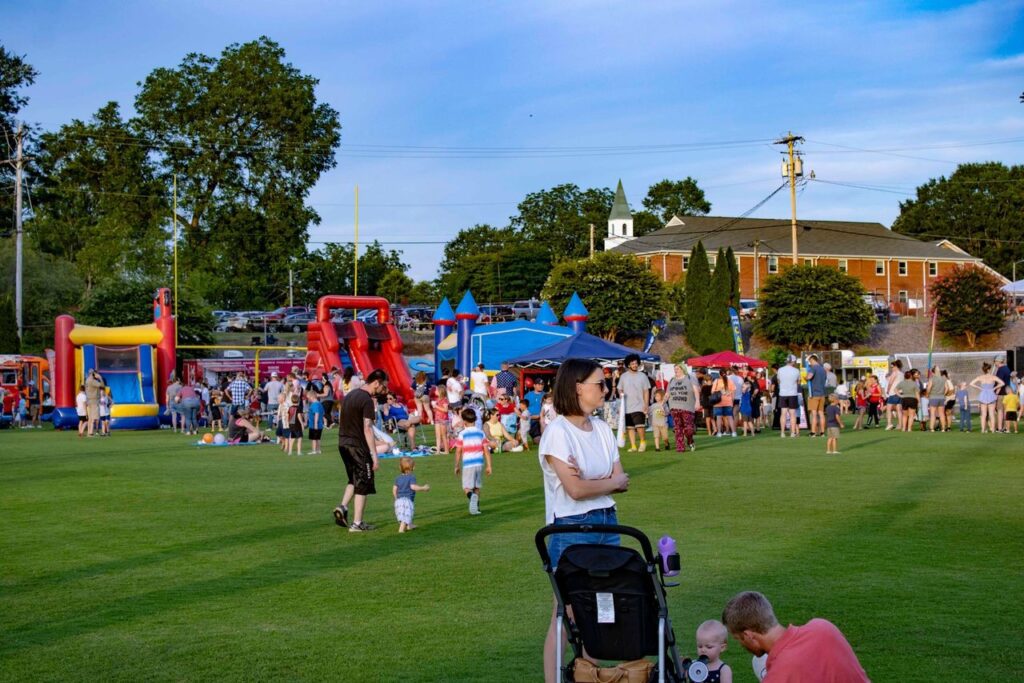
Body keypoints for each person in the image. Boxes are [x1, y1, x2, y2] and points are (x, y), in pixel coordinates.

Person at [539, 358, 630, 683]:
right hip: (571, 527)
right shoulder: (557, 433)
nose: (606, 389)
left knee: (603, 610)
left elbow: (621, 478)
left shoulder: (603, 429)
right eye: (600, 384)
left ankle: (589, 675)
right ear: (578, 387)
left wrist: (602, 482)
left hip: (608, 522)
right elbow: (576, 489)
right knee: (567, 612)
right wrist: (609, 482)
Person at [721, 591, 869, 682]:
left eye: (739, 639)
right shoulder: (823, 627)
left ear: (749, 635)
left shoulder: (779, 676)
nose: (742, 645)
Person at [334, 368, 388, 533]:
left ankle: (342, 507)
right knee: (363, 483)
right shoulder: (366, 400)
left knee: (354, 478)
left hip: (343, 443)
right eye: (383, 387)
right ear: (376, 383)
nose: (383, 390)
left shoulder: (351, 395)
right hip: (358, 446)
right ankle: (357, 523)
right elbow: (367, 428)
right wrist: (374, 454)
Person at [453, 406, 492, 515]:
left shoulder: (462, 434)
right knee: (476, 486)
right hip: (479, 463)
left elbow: (458, 451)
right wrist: (489, 466)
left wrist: (456, 465)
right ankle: (476, 509)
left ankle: (471, 497)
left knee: (467, 487)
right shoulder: (481, 433)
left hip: (468, 464)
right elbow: (486, 450)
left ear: (464, 421)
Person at [618, 354, 650, 451]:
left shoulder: (643, 376)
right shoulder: (623, 376)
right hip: (627, 407)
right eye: (632, 363)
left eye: (636, 363)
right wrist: (621, 394)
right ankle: (633, 446)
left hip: (639, 406)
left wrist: (646, 404)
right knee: (630, 428)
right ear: (628, 365)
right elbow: (620, 389)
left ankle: (643, 442)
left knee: (640, 426)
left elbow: (646, 391)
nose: (635, 365)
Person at [393, 456, 430, 533]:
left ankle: (409, 525)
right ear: (411, 468)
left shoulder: (398, 478)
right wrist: (423, 488)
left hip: (399, 500)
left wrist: (396, 498)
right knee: (406, 514)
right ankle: (401, 529)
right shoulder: (411, 477)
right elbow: (413, 487)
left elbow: (394, 489)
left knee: (403, 513)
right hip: (407, 500)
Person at [667, 364, 698, 452]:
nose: (676, 370)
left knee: (689, 429)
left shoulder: (689, 378)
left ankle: (690, 441)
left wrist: (698, 402)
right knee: (678, 428)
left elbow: (696, 390)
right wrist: (662, 403)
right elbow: (667, 393)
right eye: (675, 369)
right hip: (674, 406)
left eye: (677, 368)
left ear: (682, 369)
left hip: (687, 407)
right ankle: (680, 447)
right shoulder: (672, 380)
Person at [969, 363, 1004, 434]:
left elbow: (971, 383)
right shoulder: (993, 377)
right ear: (989, 369)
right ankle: (993, 430)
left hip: (983, 395)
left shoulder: (980, 377)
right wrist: (994, 387)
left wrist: (980, 388)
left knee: (983, 414)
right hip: (991, 394)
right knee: (992, 414)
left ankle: (983, 430)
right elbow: (1002, 383)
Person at [776, 356, 801, 438]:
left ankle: (782, 433)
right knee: (792, 414)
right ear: (793, 361)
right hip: (792, 393)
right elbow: (798, 382)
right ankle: (792, 433)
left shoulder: (780, 370)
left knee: (783, 413)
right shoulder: (796, 370)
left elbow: (779, 381)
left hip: (783, 394)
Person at [805, 355, 827, 438]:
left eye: (810, 361)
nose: (809, 363)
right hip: (822, 394)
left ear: (812, 360)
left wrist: (805, 377)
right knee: (821, 413)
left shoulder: (813, 368)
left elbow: (809, 377)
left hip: (814, 394)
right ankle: (822, 432)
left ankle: (813, 432)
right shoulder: (823, 369)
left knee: (814, 414)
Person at [712, 370, 736, 438]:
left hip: (718, 402)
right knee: (730, 417)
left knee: (718, 417)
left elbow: (712, 391)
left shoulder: (716, 381)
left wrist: (720, 391)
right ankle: (734, 432)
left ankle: (719, 433)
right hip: (728, 402)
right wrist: (732, 401)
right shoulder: (730, 381)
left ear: (719, 375)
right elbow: (733, 392)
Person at [925, 368, 950, 432]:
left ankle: (932, 428)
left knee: (933, 414)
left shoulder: (932, 379)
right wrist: (943, 394)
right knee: (942, 414)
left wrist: (927, 395)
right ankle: (943, 429)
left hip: (933, 397)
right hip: (941, 398)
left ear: (933, 372)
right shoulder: (943, 379)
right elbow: (947, 388)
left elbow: (929, 388)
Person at [85, 369, 105, 437]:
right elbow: (102, 385)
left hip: (89, 400)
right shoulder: (93, 381)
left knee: (90, 417)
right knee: (94, 417)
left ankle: (89, 432)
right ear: (93, 374)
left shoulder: (87, 380)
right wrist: (100, 378)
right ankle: (91, 433)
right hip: (94, 400)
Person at [884, 359, 904, 430]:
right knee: (899, 409)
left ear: (896, 366)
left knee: (888, 409)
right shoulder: (902, 374)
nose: (891, 368)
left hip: (893, 393)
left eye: (892, 367)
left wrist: (888, 390)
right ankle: (900, 425)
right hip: (900, 393)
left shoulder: (895, 373)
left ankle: (889, 424)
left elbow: (890, 383)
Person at [994, 357, 1012, 432]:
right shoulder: (1007, 368)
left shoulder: (1000, 370)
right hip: (1007, 393)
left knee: (1000, 411)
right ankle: (1005, 427)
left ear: (998, 361)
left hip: (1001, 393)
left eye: (995, 361)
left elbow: (1000, 383)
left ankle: (1000, 428)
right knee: (1005, 411)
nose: (994, 363)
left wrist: (996, 394)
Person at [306, 386, 325, 454]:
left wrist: (315, 424)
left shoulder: (314, 405)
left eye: (308, 398)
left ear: (312, 397)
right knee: (318, 438)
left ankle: (314, 450)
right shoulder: (320, 404)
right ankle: (318, 450)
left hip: (314, 424)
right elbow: (323, 414)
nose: (308, 399)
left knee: (314, 439)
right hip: (320, 425)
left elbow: (316, 413)